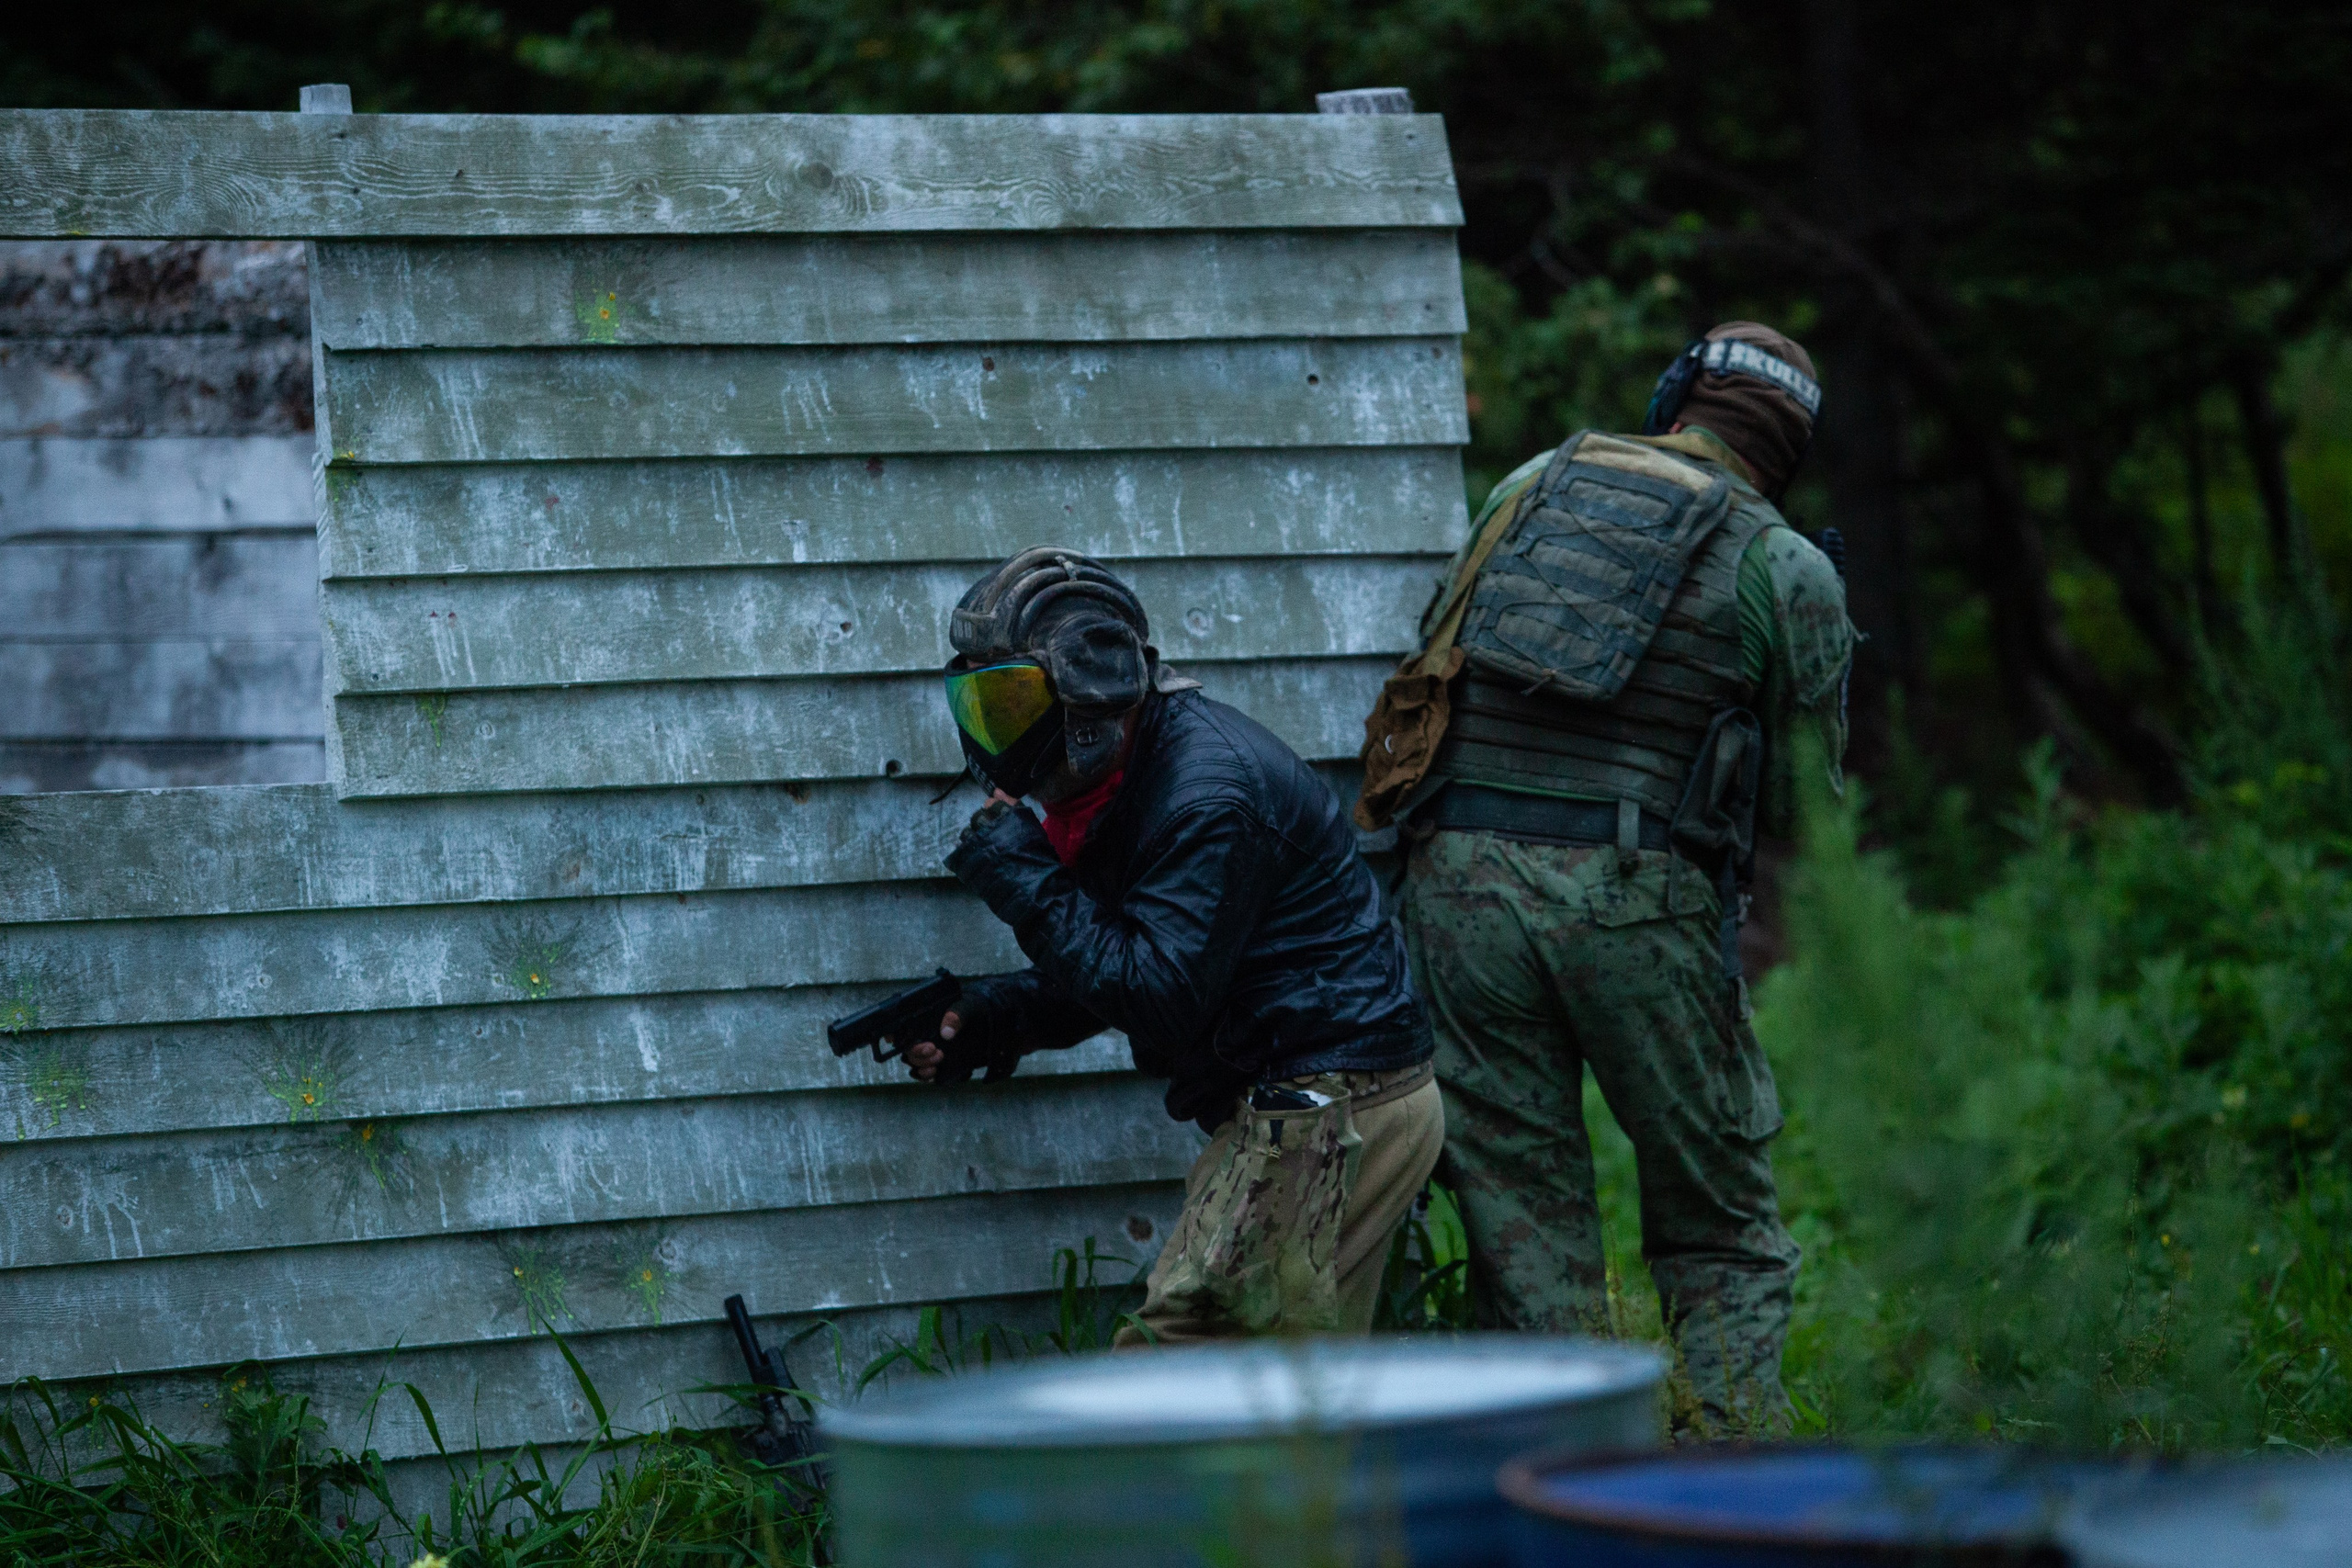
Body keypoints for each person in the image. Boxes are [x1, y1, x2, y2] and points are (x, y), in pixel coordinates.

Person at [1357, 322, 1855, 1430]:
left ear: (1676, 396)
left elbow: (1436, 663)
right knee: (1716, 1222)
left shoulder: (1534, 482)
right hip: (1637, 902)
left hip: (1459, 894)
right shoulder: (1787, 564)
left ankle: (1552, 1482)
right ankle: (1730, 1493)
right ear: (1786, 451)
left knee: (1522, 1230)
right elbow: (1801, 821)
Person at [899, 547, 1443, 1341]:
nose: (993, 735)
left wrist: (1021, 871)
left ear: (1092, 693)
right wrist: (988, 1018)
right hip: (1330, 1091)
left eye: (1011, 702)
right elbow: (1136, 953)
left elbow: (1156, 994)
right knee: (1279, 1404)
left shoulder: (1205, 795)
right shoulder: (1140, 774)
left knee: (1175, 1380)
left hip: (1334, 1102)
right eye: (978, 703)